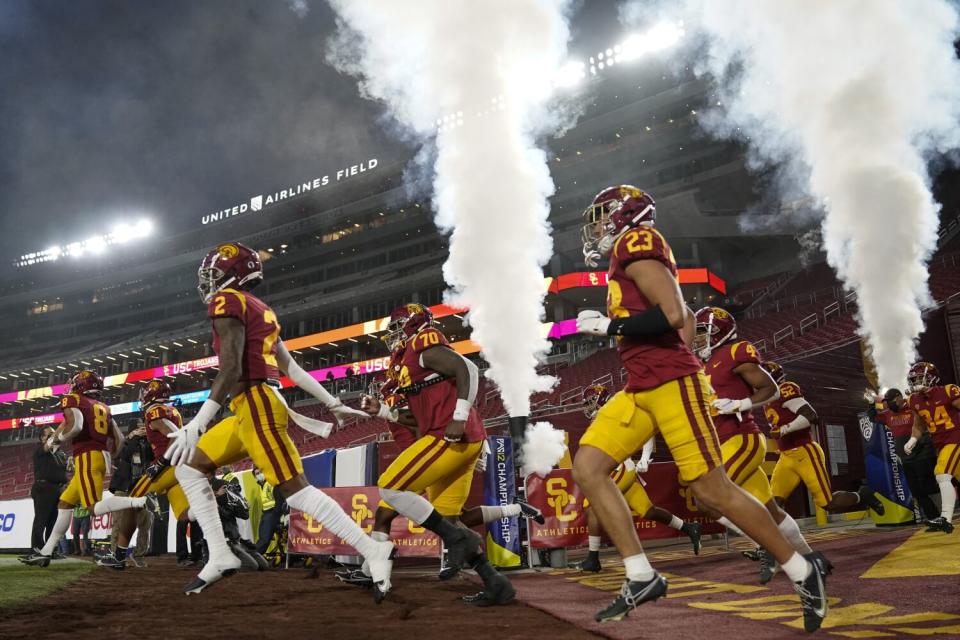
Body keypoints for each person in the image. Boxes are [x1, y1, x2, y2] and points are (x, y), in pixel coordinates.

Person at [574, 185, 826, 631]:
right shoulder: (627, 253)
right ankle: (641, 574)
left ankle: (801, 570)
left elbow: (671, 313)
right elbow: (688, 317)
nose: (594, 226)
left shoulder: (637, 241)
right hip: (641, 385)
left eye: (599, 216)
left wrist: (610, 327)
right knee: (589, 467)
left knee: (713, 490)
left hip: (670, 383)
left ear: (620, 213)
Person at [164, 242, 394, 596]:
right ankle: (221, 554)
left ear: (234, 273)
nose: (209, 282)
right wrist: (333, 402)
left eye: (214, 274)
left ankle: (372, 550)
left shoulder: (227, 301)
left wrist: (198, 422)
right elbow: (293, 368)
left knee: (296, 491)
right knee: (189, 468)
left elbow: (231, 368)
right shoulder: (261, 309)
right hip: (248, 405)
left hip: (256, 402)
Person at [340, 342, 542, 595]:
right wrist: (383, 411)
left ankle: (374, 572)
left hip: (438, 448)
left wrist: (388, 412)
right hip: (435, 448)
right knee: (453, 520)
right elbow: (418, 419)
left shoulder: (421, 372)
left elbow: (422, 421)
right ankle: (494, 579)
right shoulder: (414, 384)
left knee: (389, 499)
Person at [692, 308, 829, 585]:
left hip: (740, 437)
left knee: (706, 498)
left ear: (719, 331)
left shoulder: (736, 352)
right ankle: (811, 558)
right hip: (722, 442)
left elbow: (771, 389)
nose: (696, 338)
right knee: (770, 510)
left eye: (701, 331)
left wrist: (741, 404)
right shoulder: (704, 364)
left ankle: (768, 545)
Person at [20, 370, 162, 567]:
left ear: (80, 385)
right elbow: (119, 439)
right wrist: (107, 456)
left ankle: (142, 500)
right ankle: (45, 552)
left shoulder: (74, 399)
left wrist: (57, 440)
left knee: (93, 508)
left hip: (86, 456)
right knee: (64, 504)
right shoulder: (103, 406)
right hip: (96, 456)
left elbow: (76, 426)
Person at [577, 385, 702, 573]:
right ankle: (689, 527)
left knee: (591, 507)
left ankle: (593, 559)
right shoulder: (603, 415)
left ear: (601, 398)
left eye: (591, 402)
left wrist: (644, 458)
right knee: (648, 511)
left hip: (619, 468)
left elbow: (645, 432)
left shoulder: (614, 410)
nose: (588, 406)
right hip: (618, 468)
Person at [761, 361, 885, 520]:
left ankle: (862, 495)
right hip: (786, 456)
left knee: (827, 502)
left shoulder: (785, 389)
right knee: (774, 502)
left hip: (805, 452)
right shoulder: (767, 399)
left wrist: (784, 429)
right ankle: (772, 540)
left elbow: (810, 415)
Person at [102, 380, 193, 570]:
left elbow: (175, 436)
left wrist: (160, 463)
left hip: (166, 468)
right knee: (186, 514)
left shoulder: (154, 412)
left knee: (131, 502)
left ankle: (119, 556)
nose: (142, 397)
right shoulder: (172, 411)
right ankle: (227, 540)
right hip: (180, 466)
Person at [904, 362, 960, 533]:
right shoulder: (914, 400)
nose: (916, 382)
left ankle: (945, 519)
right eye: (913, 379)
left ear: (931, 377)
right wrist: (913, 439)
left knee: (942, 474)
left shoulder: (948, 391)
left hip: (956, 438)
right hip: (941, 444)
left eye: (919, 378)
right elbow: (919, 424)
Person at [868, 388, 939, 521]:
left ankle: (945, 510)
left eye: (891, 400)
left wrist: (923, 442)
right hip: (906, 459)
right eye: (887, 402)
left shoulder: (913, 408)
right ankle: (934, 518)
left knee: (934, 485)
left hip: (923, 454)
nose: (889, 404)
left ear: (899, 397)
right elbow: (873, 417)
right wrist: (871, 404)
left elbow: (925, 424)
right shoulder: (888, 414)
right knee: (916, 491)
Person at [107, 422, 155, 564]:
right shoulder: (123, 443)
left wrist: (149, 439)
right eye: (139, 426)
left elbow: (153, 456)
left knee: (146, 520)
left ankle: (139, 554)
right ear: (132, 430)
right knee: (119, 522)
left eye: (143, 426)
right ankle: (116, 555)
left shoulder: (146, 443)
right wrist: (132, 438)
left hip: (141, 488)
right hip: (123, 487)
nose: (143, 428)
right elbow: (125, 456)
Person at [30, 426, 68, 552]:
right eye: (49, 434)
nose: (53, 435)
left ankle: (49, 550)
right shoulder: (41, 450)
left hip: (57, 489)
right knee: (41, 520)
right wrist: (62, 426)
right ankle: (37, 549)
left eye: (54, 433)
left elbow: (65, 472)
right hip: (43, 488)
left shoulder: (61, 453)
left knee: (53, 522)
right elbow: (49, 445)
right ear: (42, 438)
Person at [253, 465, 285, 555]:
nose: (259, 475)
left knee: (265, 537)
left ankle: (256, 555)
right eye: (257, 474)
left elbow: (280, 500)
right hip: (266, 513)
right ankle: (255, 553)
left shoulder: (271, 483)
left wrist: (276, 514)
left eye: (260, 472)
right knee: (262, 536)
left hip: (273, 512)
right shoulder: (261, 485)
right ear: (255, 477)